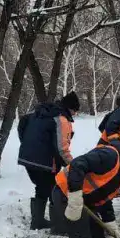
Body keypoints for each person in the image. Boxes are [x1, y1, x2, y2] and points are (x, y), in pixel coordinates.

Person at [18, 91, 80, 230]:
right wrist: (74, 165)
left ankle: (38, 221)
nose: (75, 114)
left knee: (42, 187)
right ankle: (59, 226)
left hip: (28, 157)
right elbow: (61, 147)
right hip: (44, 161)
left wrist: (28, 146)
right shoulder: (60, 119)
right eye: (75, 110)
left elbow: (22, 124)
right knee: (54, 189)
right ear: (70, 108)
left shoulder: (41, 114)